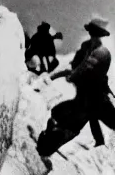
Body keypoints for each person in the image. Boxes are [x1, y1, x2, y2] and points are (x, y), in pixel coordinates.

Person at [38, 17, 115, 155]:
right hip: (83, 97)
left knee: (72, 121)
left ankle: (46, 149)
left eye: (96, 32)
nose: (93, 35)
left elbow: (86, 70)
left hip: (94, 97)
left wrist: (72, 75)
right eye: (92, 32)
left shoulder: (103, 53)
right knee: (58, 114)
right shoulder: (85, 47)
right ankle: (46, 147)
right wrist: (58, 75)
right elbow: (75, 65)